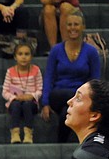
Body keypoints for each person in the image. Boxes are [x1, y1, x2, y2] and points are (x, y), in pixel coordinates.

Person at [41, 10, 100, 143]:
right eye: (69, 25)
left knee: (65, 113)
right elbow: (49, 77)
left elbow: (95, 81)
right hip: (58, 95)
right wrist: (45, 103)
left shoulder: (91, 52)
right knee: (67, 98)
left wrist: (92, 100)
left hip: (80, 96)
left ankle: (60, 144)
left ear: (83, 27)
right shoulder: (56, 50)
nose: (72, 28)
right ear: (65, 27)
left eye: (76, 24)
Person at [2, 41, 42, 144]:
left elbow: (40, 89)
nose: (23, 57)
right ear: (15, 57)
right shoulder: (10, 71)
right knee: (16, 105)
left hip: (30, 102)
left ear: (31, 56)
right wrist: (14, 98)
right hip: (16, 100)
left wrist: (31, 96)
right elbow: (5, 92)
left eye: (26, 54)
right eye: (20, 54)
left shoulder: (36, 70)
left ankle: (28, 133)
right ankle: (15, 133)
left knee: (27, 105)